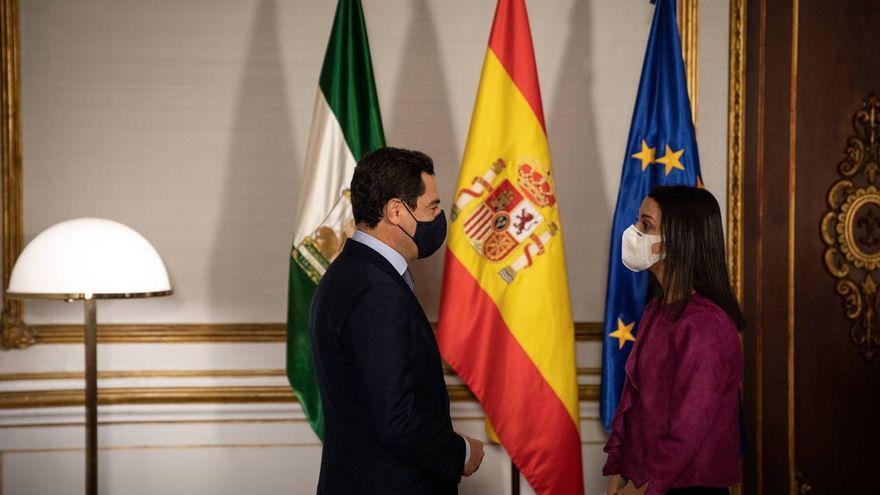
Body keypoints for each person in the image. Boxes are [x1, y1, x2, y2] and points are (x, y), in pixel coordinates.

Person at [309, 147, 484, 494]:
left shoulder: (346, 272)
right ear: (396, 211)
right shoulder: (378, 293)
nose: (439, 216)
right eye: (432, 206)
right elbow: (396, 420)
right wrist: (460, 452)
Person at [603, 185, 745, 495]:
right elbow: (636, 403)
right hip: (645, 480)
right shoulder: (658, 309)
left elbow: (689, 427)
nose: (634, 232)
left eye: (646, 225)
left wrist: (642, 488)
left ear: (679, 239)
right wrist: (621, 470)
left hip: (685, 486)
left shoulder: (708, 325)